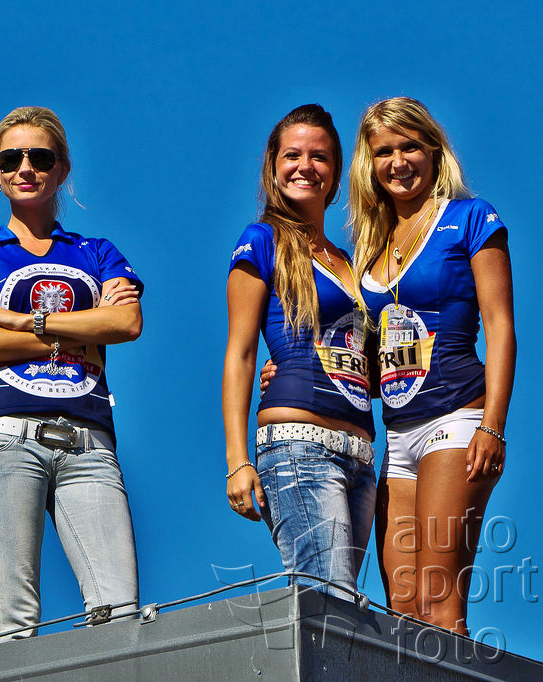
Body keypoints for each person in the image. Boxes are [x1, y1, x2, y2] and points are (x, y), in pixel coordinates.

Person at [0, 106, 143, 642]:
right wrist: (82, 329)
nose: (26, 168)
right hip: (4, 437)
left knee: (120, 613)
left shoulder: (98, 252)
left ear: (63, 169)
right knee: (14, 618)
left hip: (90, 442)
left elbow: (126, 322)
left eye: (40, 157)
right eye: (11, 159)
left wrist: (18, 320)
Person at [350, 97, 515, 633]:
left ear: (434, 151)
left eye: (410, 147)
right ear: (369, 164)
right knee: (403, 612)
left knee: (439, 605)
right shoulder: (370, 248)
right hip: (397, 437)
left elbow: (500, 326)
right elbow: (371, 364)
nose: (398, 162)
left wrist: (493, 426)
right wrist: (290, 371)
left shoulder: (471, 218)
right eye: (384, 152)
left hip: (457, 419)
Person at [222, 104, 377, 598]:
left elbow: (363, 361)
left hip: (361, 456)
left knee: (340, 611)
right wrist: (237, 460)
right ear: (273, 167)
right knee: (331, 599)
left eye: (319, 157)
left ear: (336, 173)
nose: (305, 166)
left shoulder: (351, 260)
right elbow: (241, 352)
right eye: (292, 155)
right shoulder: (261, 240)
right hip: (298, 447)